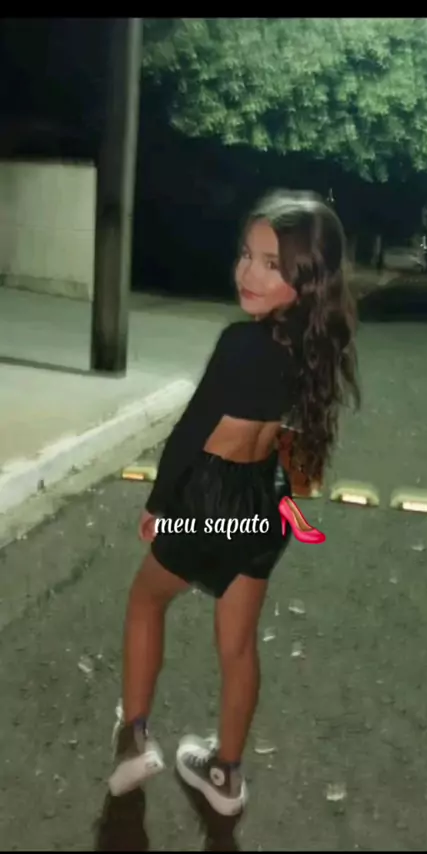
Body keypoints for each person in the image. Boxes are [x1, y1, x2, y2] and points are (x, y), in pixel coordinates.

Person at [108, 188, 361, 816]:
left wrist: (160, 504)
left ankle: (134, 740)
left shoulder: (239, 344)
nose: (249, 272)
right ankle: (225, 776)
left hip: (209, 499)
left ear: (306, 278)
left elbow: (191, 432)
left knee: (146, 600)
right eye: (246, 255)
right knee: (239, 645)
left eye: (272, 264)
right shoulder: (314, 345)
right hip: (262, 503)